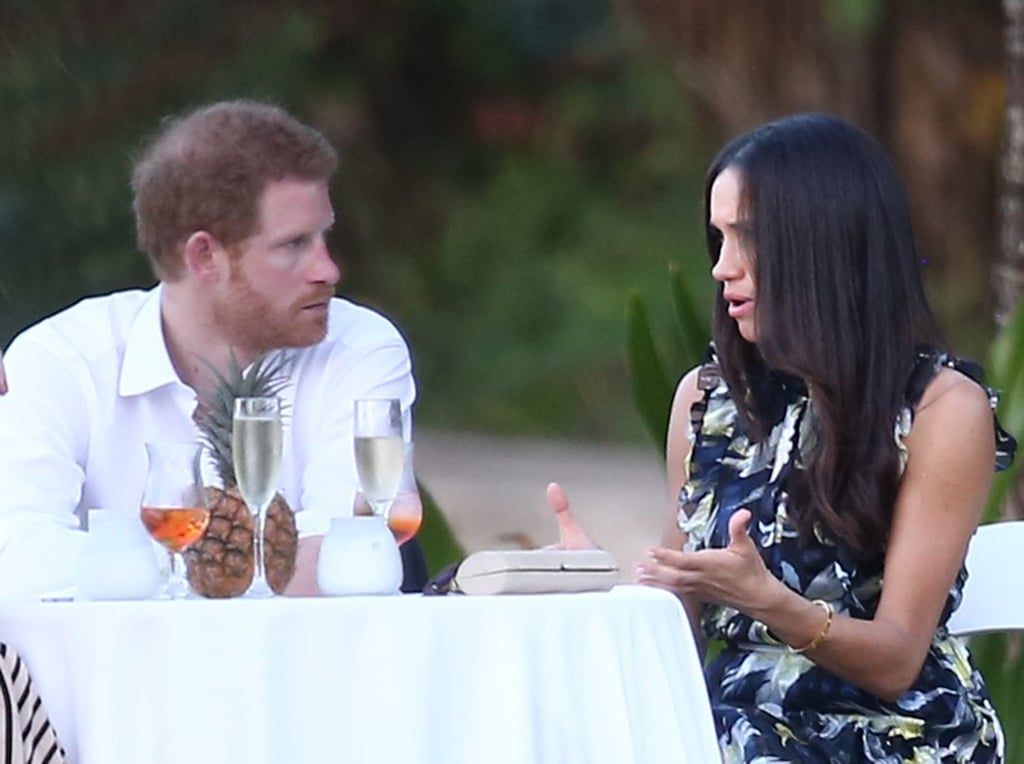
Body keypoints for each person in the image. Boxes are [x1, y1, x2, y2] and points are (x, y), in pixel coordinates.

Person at [552, 113, 1015, 762]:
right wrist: (606, 595)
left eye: (746, 239)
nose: (720, 268)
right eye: (717, 240)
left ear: (820, 246)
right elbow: (678, 620)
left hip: (891, 737)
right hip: (731, 734)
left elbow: (897, 660)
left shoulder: (941, 410)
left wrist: (772, 604)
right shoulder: (708, 400)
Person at [0, 99, 424, 598]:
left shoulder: (359, 348)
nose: (327, 270)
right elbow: (17, 554)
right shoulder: (64, 360)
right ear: (204, 257)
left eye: (322, 237)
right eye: (293, 244)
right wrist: (212, 560)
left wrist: (132, 565)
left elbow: (345, 554)